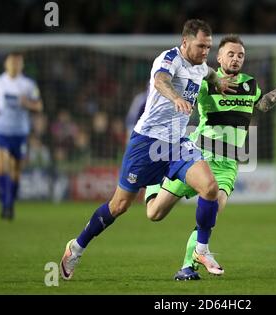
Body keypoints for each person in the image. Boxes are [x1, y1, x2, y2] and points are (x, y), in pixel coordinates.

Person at [59, 19, 237, 280]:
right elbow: (161, 81)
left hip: (177, 143)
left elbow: (208, 72)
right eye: (200, 46)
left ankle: (201, 249)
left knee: (210, 188)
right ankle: (76, 247)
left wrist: (218, 82)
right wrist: (175, 97)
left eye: (208, 47)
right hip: (147, 142)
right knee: (119, 206)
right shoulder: (169, 59)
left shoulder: (201, 67)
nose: (204, 52)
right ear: (185, 42)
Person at [144, 34, 276, 280]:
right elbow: (181, 94)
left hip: (227, 165)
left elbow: (264, 104)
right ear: (219, 57)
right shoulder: (205, 83)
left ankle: (188, 267)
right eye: (230, 54)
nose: (235, 59)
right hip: (197, 158)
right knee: (154, 214)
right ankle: (153, 181)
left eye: (240, 55)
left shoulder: (250, 85)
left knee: (210, 216)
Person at [0, 51, 43, 220]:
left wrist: (28, 103)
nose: (14, 65)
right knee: (2, 166)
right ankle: (6, 205)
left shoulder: (28, 84)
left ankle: (10, 201)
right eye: (12, 62)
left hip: (20, 132)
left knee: (16, 170)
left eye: (18, 62)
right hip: (1, 130)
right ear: (6, 64)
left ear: (21, 65)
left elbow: (39, 106)